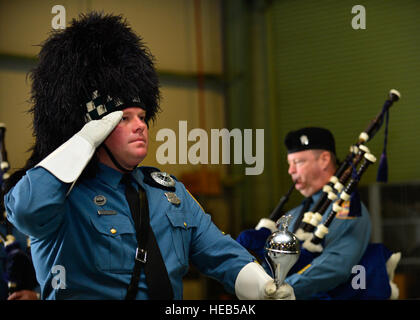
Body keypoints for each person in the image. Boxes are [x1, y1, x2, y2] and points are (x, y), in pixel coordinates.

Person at [2, 12, 294, 300]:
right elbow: (27, 212)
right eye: (124, 118)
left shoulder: (168, 191)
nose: (140, 125)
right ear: (92, 129)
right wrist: (81, 140)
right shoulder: (61, 197)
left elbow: (219, 252)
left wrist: (264, 287)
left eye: (142, 116)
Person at [238, 127, 400, 299]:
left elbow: (335, 267)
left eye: (298, 162)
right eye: (289, 163)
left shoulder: (347, 210)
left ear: (324, 160)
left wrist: (283, 289)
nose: (290, 170)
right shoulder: (294, 214)